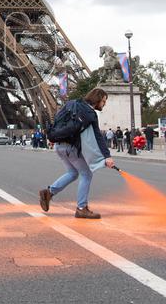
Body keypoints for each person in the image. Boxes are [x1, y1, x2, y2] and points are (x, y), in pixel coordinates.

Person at [38, 87, 115, 219]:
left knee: (73, 173)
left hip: (58, 145)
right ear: (97, 100)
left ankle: (49, 192)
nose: (104, 104)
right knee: (87, 174)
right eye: (103, 101)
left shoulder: (72, 103)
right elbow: (97, 136)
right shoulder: (90, 113)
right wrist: (107, 156)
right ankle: (81, 208)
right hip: (70, 147)